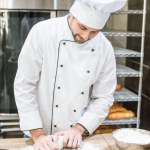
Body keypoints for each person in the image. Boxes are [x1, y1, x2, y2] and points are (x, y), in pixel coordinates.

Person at [14, 0, 127, 149]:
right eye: (83, 27)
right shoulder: (42, 32)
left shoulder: (104, 48)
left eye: (94, 32)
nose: (86, 36)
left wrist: (79, 129)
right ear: (72, 15)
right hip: (38, 132)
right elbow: (25, 85)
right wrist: (38, 134)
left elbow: (103, 97)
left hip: (75, 137)